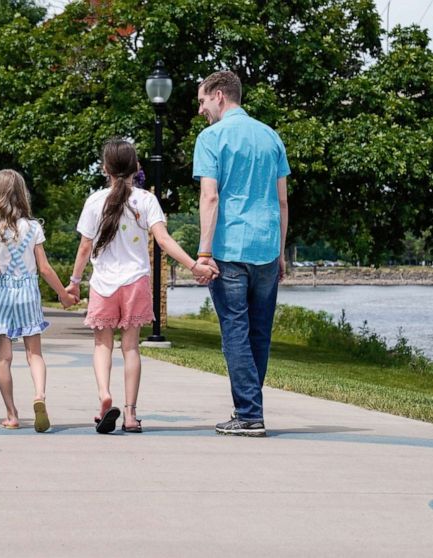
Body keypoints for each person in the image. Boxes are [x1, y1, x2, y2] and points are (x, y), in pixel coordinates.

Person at [67, 139, 216, 434]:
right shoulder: (146, 201)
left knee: (102, 346)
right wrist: (193, 265)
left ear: (105, 168)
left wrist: (73, 283)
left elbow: (85, 247)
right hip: (135, 281)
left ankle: (103, 398)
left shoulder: (95, 201)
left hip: (103, 284)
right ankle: (132, 415)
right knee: (131, 347)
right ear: (136, 167)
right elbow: (164, 240)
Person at [192, 70, 290, 437]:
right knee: (259, 333)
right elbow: (282, 201)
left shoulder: (211, 138)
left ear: (219, 95)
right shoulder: (271, 137)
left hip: (229, 248)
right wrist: (281, 252)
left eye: (202, 100)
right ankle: (249, 408)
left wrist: (204, 252)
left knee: (235, 330)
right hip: (266, 248)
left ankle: (249, 414)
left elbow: (210, 196)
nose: (201, 109)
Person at [0, 170, 77, 432]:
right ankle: (39, 396)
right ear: (22, 195)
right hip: (27, 294)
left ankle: (12, 414)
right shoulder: (33, 227)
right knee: (34, 353)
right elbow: (44, 268)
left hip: (2, 295)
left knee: (4, 357)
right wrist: (64, 295)